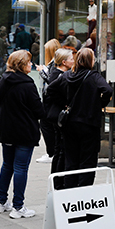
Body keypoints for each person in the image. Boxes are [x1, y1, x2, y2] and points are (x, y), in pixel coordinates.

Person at [47, 48, 112, 188]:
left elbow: (50, 90)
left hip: (70, 123)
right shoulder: (94, 76)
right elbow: (108, 90)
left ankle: (70, 189)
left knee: (71, 158)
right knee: (88, 159)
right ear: (91, 61)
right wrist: (99, 104)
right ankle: (84, 190)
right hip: (89, 123)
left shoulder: (67, 75)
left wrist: (64, 103)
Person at [0, 50, 44, 218]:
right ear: (22, 65)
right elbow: (38, 111)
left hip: (6, 130)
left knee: (7, 165)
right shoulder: (27, 84)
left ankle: (1, 202)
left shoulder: (2, 82)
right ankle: (18, 207)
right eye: (29, 62)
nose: (31, 65)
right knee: (21, 167)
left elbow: (0, 105)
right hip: (24, 132)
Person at [40, 49, 74, 189]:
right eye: (71, 58)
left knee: (59, 149)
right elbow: (52, 93)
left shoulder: (58, 74)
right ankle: (58, 181)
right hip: (56, 116)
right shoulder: (59, 76)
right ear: (64, 62)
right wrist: (65, 103)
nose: (74, 60)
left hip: (54, 115)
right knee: (60, 149)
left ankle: (58, 179)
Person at [34, 38, 63, 164]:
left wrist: (41, 72)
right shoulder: (54, 63)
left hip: (50, 100)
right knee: (48, 125)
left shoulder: (54, 64)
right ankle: (52, 152)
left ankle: (52, 152)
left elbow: (51, 82)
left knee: (47, 125)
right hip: (50, 99)